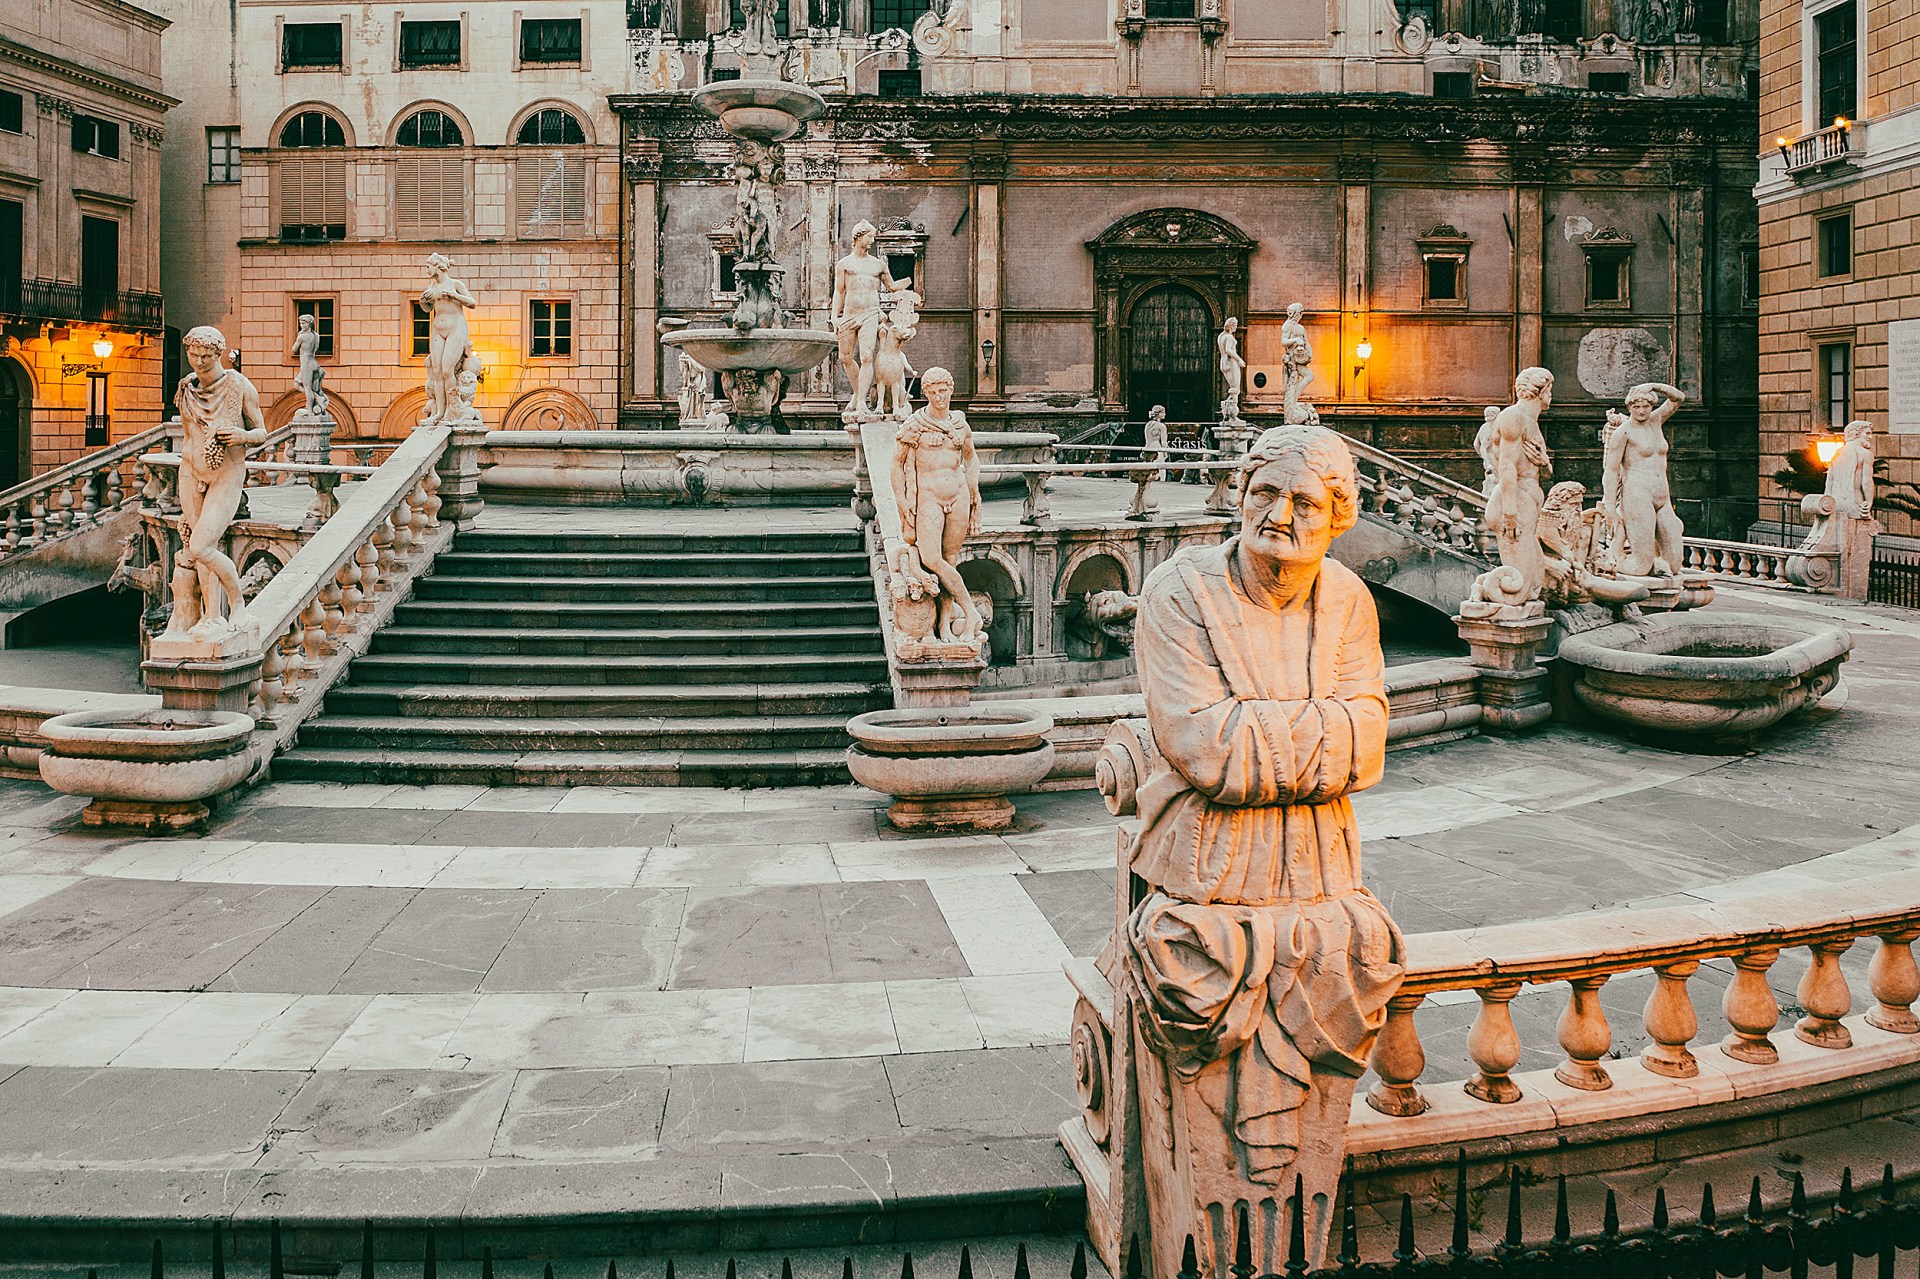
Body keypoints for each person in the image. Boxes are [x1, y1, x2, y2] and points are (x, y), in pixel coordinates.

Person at [1125, 424, 1405, 1274]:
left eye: (1305, 502)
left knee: (1361, 949)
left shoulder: (1349, 600)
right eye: (1264, 494)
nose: (1280, 514)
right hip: (1205, 876)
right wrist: (1315, 739)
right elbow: (1204, 745)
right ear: (1238, 494)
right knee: (1185, 961)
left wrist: (1257, 741)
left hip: (1322, 873)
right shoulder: (1176, 594)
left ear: (1337, 518)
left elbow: (1373, 740)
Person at [167, 326, 268, 638]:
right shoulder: (187, 387)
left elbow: (262, 433)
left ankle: (237, 606)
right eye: (193, 355)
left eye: (207, 357)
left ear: (219, 355)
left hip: (226, 473)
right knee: (193, 547)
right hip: (190, 471)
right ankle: (210, 615)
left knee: (202, 545)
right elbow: (187, 434)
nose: (199, 362)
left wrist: (241, 436)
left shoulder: (239, 387)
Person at [890, 367, 982, 642]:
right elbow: (896, 464)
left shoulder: (960, 425)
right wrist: (902, 499)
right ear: (925, 393)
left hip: (959, 496)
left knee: (950, 560)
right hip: (928, 498)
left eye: (943, 391)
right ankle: (969, 609)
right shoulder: (915, 425)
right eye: (933, 392)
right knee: (932, 558)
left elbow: (971, 458)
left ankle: (944, 624)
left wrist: (975, 491)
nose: (939, 397)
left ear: (951, 390)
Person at [1480, 367, 1555, 603]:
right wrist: (1510, 513)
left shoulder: (1530, 421)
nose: (1551, 396)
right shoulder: (1513, 417)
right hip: (1514, 503)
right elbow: (1507, 467)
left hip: (1526, 499)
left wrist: (1545, 463)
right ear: (1540, 391)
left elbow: (1538, 469)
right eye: (1550, 390)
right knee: (1519, 588)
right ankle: (1498, 621)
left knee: (1533, 584)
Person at [831, 222, 913, 418]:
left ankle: (861, 402)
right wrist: (835, 316)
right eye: (870, 236)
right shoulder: (844, 264)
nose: (873, 240)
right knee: (845, 358)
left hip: (870, 314)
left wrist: (909, 281)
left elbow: (891, 286)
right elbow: (839, 291)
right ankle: (858, 392)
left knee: (867, 356)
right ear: (859, 236)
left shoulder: (878, 264)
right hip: (849, 315)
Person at [1605, 381, 1686, 577]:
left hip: (1662, 496)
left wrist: (1653, 386)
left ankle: (1653, 562)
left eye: (1646, 406)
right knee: (1640, 567)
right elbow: (1611, 470)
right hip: (1637, 494)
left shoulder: (1656, 420)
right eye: (1636, 406)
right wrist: (1610, 509)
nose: (1641, 411)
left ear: (1652, 406)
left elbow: (1678, 397)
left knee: (1674, 563)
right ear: (1629, 407)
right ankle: (1614, 556)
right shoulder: (1623, 432)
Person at [421, 254, 478, 428]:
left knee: (447, 370)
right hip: (438, 328)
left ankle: (451, 411)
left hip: (456, 328)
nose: (427, 270)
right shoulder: (432, 287)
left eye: (429, 266)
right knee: (437, 371)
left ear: (438, 266)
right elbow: (427, 308)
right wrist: (423, 300)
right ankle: (439, 411)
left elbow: (472, 303)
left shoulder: (455, 284)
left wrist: (454, 296)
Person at [1825, 419, 1876, 519]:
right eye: (1867, 433)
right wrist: (1869, 502)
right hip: (1856, 503)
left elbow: (1830, 480)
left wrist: (1827, 500)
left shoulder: (1837, 453)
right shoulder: (1865, 454)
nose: (1870, 437)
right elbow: (1867, 482)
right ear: (1856, 434)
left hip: (1836, 503)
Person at [290, 313, 327, 419]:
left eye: (303, 323)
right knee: (297, 384)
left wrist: (299, 337)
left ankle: (310, 411)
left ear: (309, 324)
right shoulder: (316, 335)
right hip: (313, 362)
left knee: (307, 387)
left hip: (306, 363)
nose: (301, 325)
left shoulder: (302, 337)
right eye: (300, 323)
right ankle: (319, 399)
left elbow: (293, 349)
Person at [1217, 317, 1246, 422]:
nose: (1235, 327)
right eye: (1234, 325)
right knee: (1235, 389)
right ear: (1229, 325)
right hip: (1231, 362)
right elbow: (1229, 350)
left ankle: (1226, 408)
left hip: (1224, 362)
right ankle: (1232, 415)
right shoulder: (1229, 337)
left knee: (1233, 388)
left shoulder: (1221, 336)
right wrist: (1239, 359)